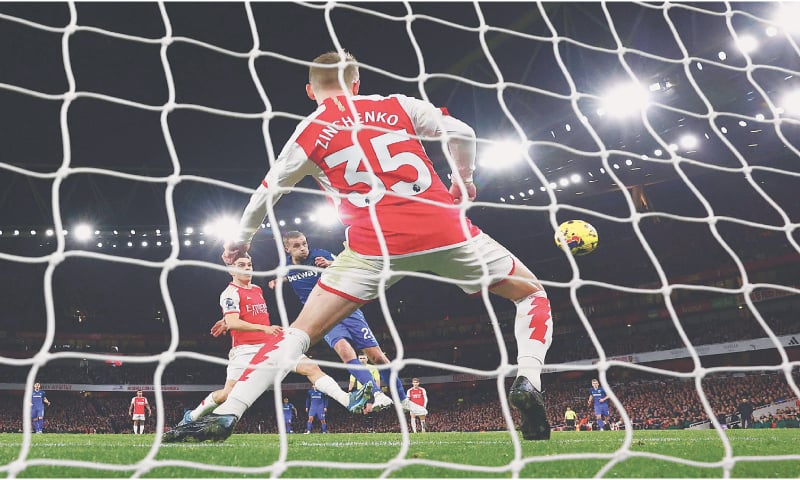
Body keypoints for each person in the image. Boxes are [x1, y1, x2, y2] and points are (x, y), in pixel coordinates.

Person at [169, 49, 553, 442]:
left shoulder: (310, 130)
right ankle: (529, 380)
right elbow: (464, 133)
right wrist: (463, 179)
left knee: (299, 334)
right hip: (447, 231)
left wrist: (242, 239)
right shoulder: (396, 105)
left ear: (309, 91)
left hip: (373, 248)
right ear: (356, 83)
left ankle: (229, 413)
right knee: (531, 295)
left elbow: (268, 192)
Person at [163, 253, 371, 442]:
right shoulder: (229, 293)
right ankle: (191, 416)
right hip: (245, 350)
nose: (247, 268)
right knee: (228, 394)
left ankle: (348, 400)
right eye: (241, 265)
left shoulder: (256, 289)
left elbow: (241, 317)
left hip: (272, 346)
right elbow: (235, 322)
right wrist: (257, 327)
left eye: (250, 264)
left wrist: (232, 322)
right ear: (231, 269)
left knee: (311, 367)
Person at [270, 230, 426, 416]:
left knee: (377, 357)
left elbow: (347, 268)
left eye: (304, 243)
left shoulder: (320, 255)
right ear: (287, 249)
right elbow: (289, 274)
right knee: (345, 351)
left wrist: (331, 264)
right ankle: (378, 395)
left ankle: (402, 400)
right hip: (320, 316)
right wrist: (279, 280)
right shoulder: (286, 267)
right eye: (297, 246)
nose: (303, 248)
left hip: (345, 308)